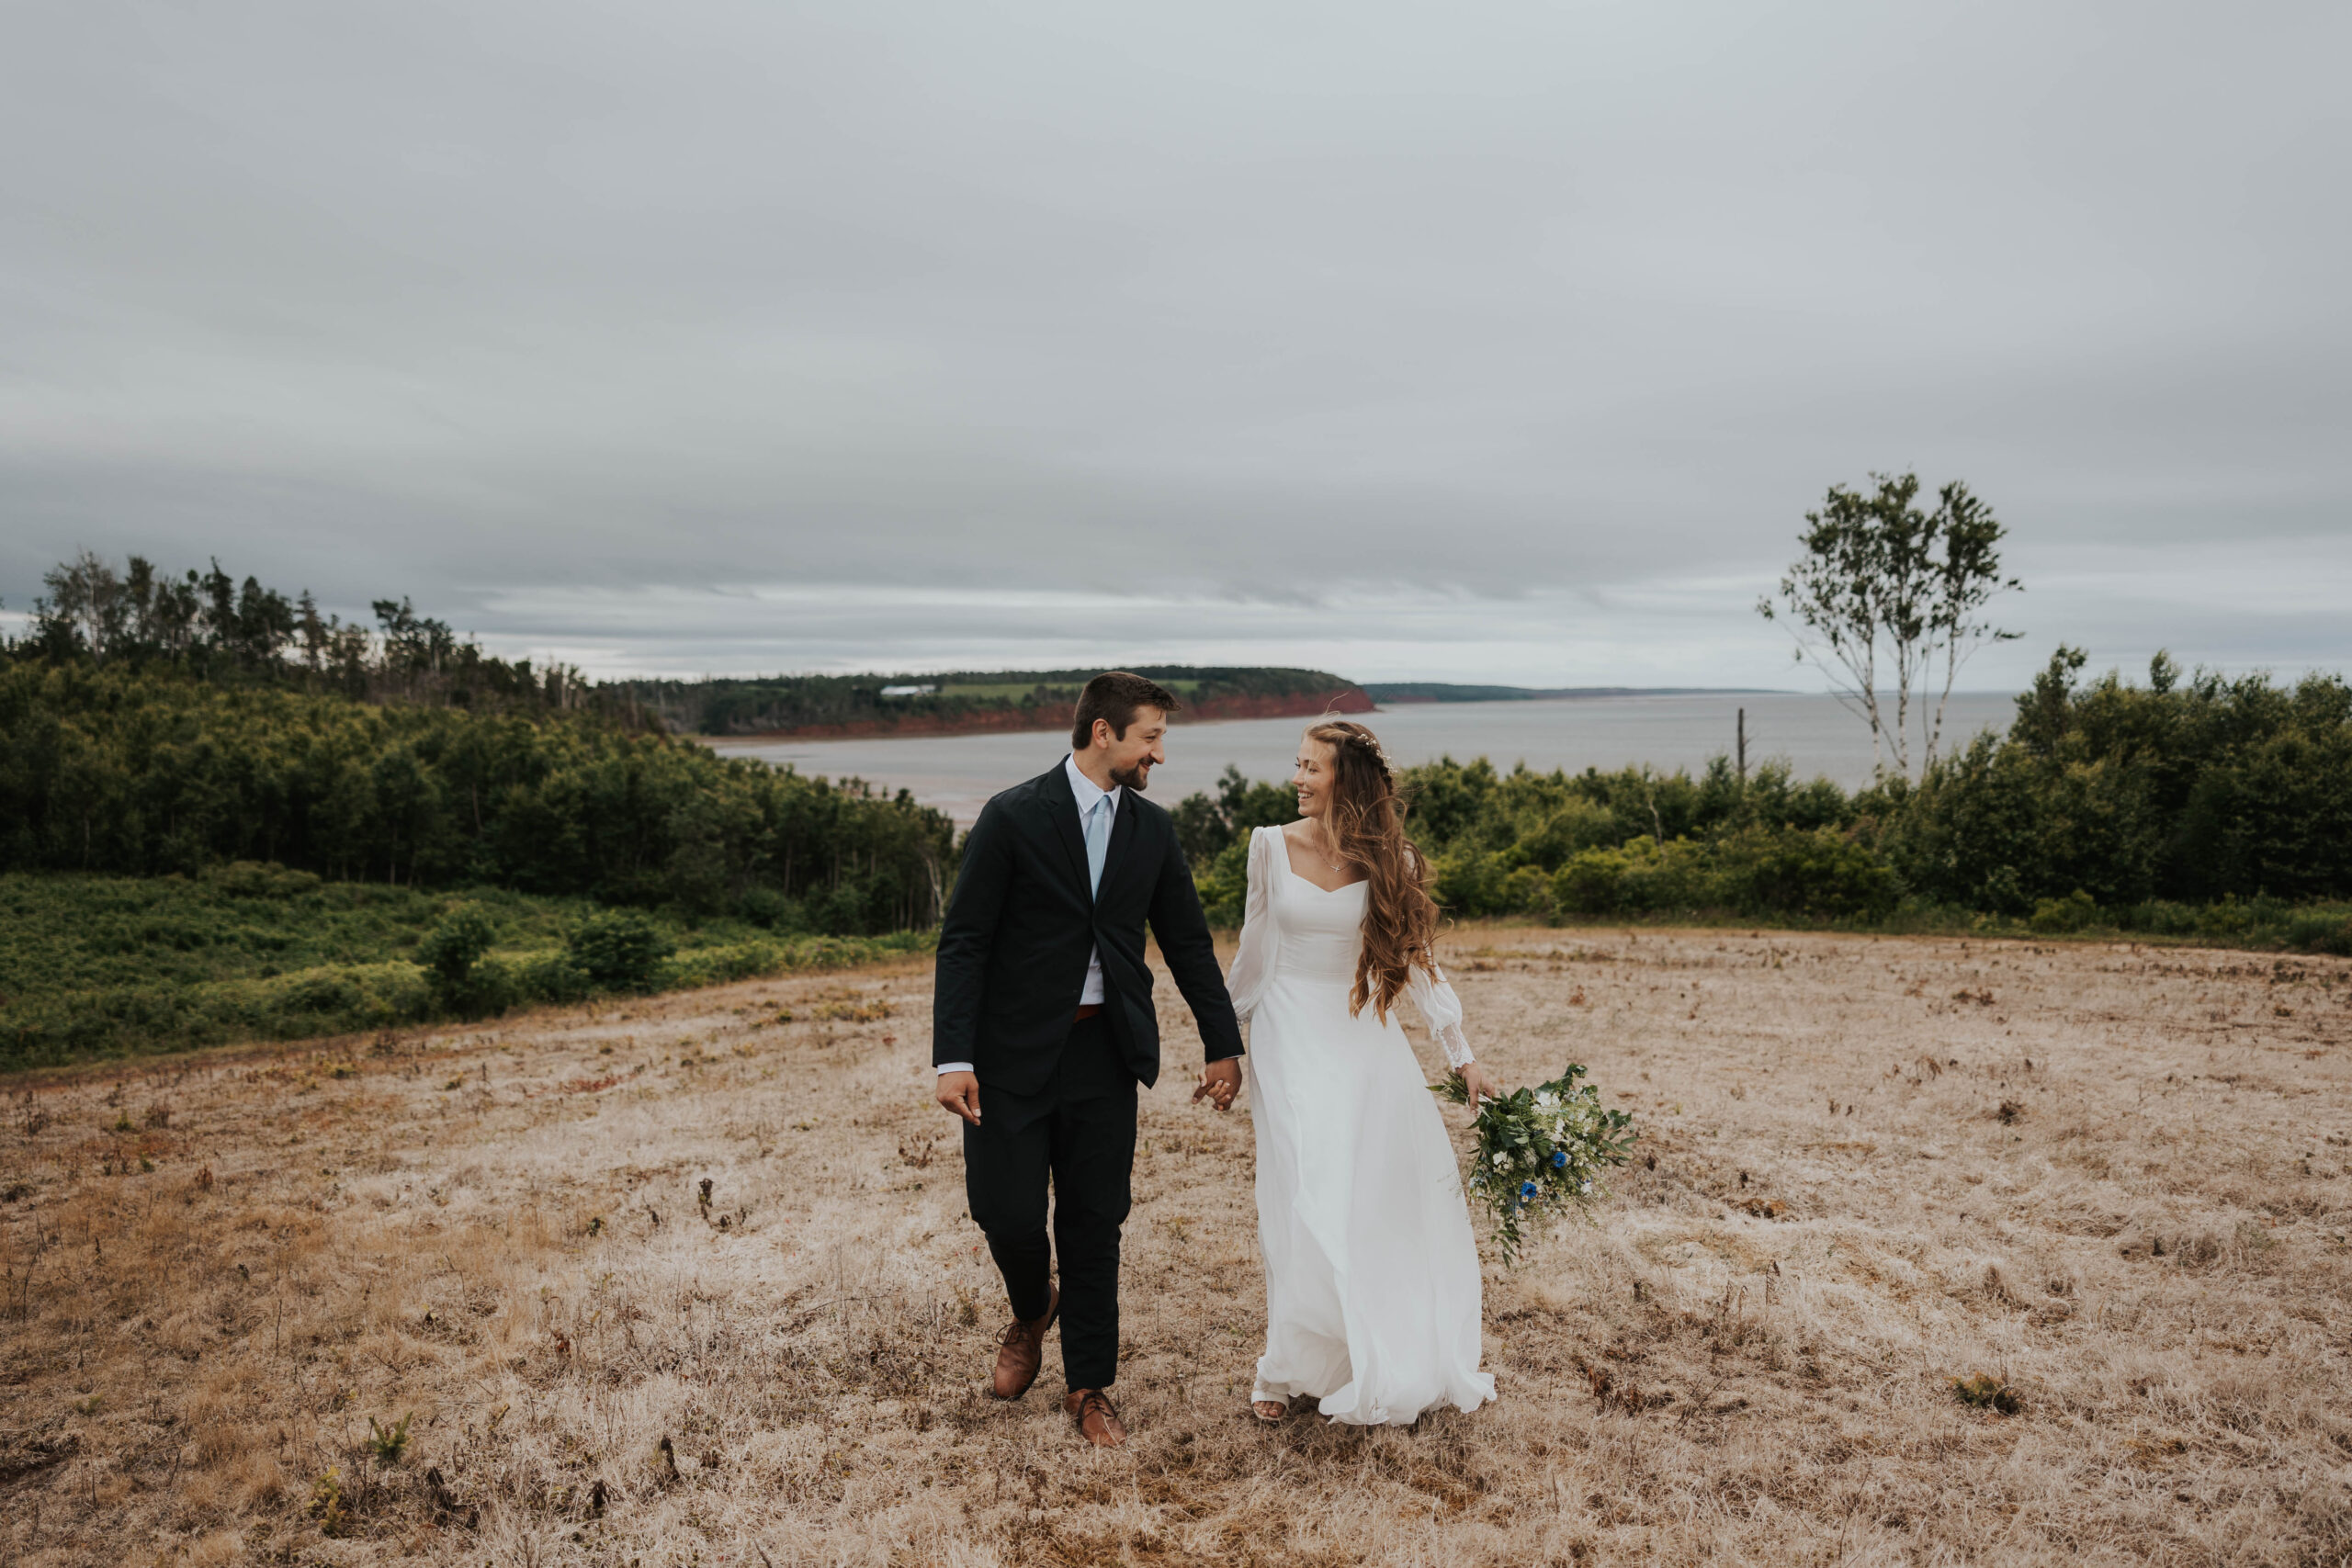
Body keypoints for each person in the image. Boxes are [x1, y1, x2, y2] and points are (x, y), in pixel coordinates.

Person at [932, 671, 1245, 1448]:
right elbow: (965, 939)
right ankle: (1033, 1304)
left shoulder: (1152, 830)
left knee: (1095, 1219)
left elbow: (1187, 943)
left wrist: (1223, 1041)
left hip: (1106, 1051)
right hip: (1008, 1054)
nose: (1159, 755)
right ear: (1102, 732)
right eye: (1150, 737)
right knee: (1004, 1210)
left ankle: (1089, 1386)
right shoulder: (1012, 816)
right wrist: (953, 1055)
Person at [1227, 717, 1499, 1425]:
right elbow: (1254, 953)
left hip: (1361, 1037)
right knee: (1300, 1191)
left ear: (1344, 779)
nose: (1297, 778)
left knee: (1367, 1197)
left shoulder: (1391, 858)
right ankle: (1282, 1366)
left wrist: (1461, 1053)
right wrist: (1224, 1040)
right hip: (1288, 1033)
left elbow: (1418, 960)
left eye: (1311, 767)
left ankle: (1364, 1348)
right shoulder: (1268, 846)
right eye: (1297, 764)